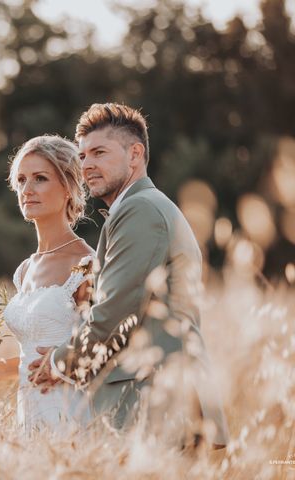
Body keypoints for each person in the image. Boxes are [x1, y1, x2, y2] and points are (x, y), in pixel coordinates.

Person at [28, 103, 229, 448]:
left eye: (100, 153)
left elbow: (115, 313)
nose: (87, 164)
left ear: (135, 154)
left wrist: (58, 362)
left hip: (155, 398)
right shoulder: (140, 208)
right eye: (83, 155)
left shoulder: (141, 210)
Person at [0, 134, 95, 433]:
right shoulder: (25, 270)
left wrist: (65, 366)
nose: (27, 189)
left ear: (69, 187)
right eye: (21, 180)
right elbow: (32, 356)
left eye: (40, 178)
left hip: (70, 412)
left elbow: (106, 346)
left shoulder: (86, 265)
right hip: (29, 411)